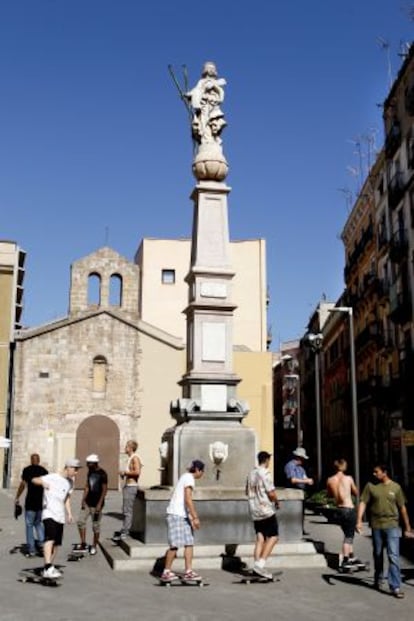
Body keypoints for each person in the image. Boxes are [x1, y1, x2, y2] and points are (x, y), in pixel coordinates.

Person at [356, 463, 413, 598]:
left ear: (384, 472)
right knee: (378, 554)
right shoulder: (370, 486)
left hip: (392, 525)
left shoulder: (396, 487)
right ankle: (379, 578)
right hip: (376, 526)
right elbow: (363, 502)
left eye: (376, 472)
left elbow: (402, 508)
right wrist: (359, 520)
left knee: (393, 556)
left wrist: (408, 527)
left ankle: (395, 587)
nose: (374, 474)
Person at [32, 458, 81, 579]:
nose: (76, 472)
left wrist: (69, 513)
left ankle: (48, 568)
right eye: (75, 469)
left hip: (60, 515)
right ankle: (48, 566)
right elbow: (34, 480)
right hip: (49, 513)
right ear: (68, 467)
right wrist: (43, 483)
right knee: (50, 538)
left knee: (57, 544)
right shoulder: (52, 477)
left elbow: (67, 499)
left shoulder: (70, 482)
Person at [160, 459, 205, 583]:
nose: (202, 474)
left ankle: (188, 571)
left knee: (189, 543)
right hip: (175, 515)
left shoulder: (185, 476)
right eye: (202, 471)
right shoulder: (189, 478)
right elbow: (188, 499)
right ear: (197, 470)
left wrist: (190, 517)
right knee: (174, 545)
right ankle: (166, 572)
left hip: (182, 516)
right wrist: (195, 517)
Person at [246, 451, 279, 579]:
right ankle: (260, 564)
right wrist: (276, 501)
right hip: (265, 509)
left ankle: (256, 566)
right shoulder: (265, 473)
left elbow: (246, 491)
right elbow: (271, 493)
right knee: (274, 537)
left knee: (260, 538)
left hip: (254, 509)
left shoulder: (251, 473)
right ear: (266, 460)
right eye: (269, 460)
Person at [327, 458, 362, 570]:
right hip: (348, 508)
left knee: (348, 533)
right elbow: (356, 492)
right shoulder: (348, 478)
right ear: (342, 466)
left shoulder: (330, 480)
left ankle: (351, 556)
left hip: (339, 510)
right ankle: (345, 559)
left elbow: (329, 494)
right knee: (348, 536)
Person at [15, 453, 48, 558]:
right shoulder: (44, 471)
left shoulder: (26, 470)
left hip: (30, 502)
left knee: (29, 525)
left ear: (31, 460)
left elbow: (23, 484)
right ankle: (42, 545)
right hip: (40, 503)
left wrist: (17, 497)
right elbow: (48, 486)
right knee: (38, 523)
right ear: (38, 460)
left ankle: (32, 549)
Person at [76, 454, 108, 555]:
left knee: (95, 526)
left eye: (89, 463)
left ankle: (94, 545)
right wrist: (83, 499)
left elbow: (104, 489)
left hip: (97, 504)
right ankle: (83, 543)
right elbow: (87, 486)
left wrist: (99, 504)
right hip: (88, 502)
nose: (87, 465)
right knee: (80, 521)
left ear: (95, 463)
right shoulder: (90, 472)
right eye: (87, 463)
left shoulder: (103, 474)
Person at [113, 440, 142, 540]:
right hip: (128, 486)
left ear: (130, 448)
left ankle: (125, 532)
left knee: (127, 511)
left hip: (131, 486)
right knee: (126, 509)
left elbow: (137, 472)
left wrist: (125, 472)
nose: (125, 448)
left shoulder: (135, 458)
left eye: (126, 447)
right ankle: (124, 529)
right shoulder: (131, 458)